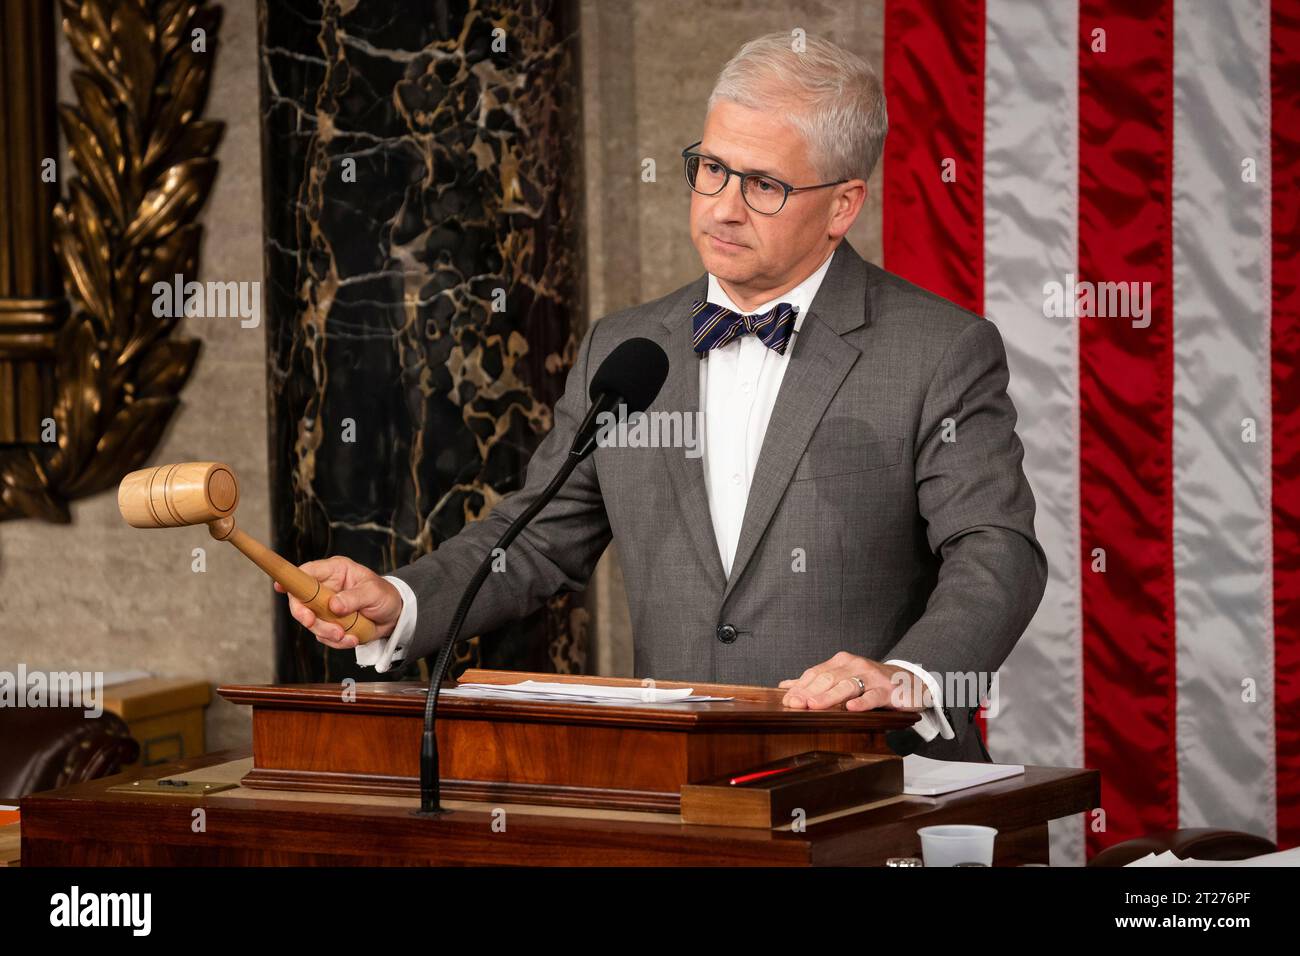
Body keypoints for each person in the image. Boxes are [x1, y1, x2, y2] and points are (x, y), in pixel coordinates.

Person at [276, 32, 1047, 761]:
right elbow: (538, 536)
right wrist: (402, 600)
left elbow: (995, 550)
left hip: (873, 776)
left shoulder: (938, 349)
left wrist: (907, 677)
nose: (723, 206)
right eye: (712, 168)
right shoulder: (627, 348)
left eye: (765, 185)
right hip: (682, 788)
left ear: (843, 205)